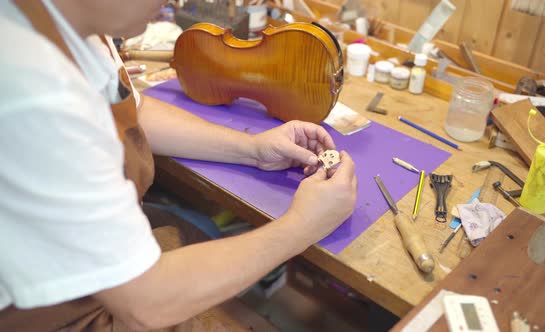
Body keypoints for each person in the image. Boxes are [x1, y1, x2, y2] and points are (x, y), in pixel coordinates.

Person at [0, 0, 357, 330]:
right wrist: (302, 226)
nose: (177, 3)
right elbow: (145, 303)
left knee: (198, 229)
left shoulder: (77, 24)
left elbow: (132, 108)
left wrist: (252, 149)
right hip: (58, 315)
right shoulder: (30, 88)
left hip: (92, 274)